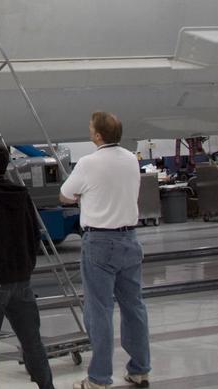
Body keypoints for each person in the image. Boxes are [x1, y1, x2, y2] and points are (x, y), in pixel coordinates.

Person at [60, 112, 150, 389]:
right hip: (130, 239)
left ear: (98, 136)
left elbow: (65, 194)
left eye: (91, 128)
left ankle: (99, 378)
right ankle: (140, 370)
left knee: (99, 310)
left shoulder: (88, 163)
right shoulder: (131, 159)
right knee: (134, 306)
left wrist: (82, 196)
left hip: (99, 242)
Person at [0, 142, 56, 389]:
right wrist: (26, 266)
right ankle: (47, 385)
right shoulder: (22, 195)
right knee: (32, 342)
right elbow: (34, 234)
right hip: (21, 280)